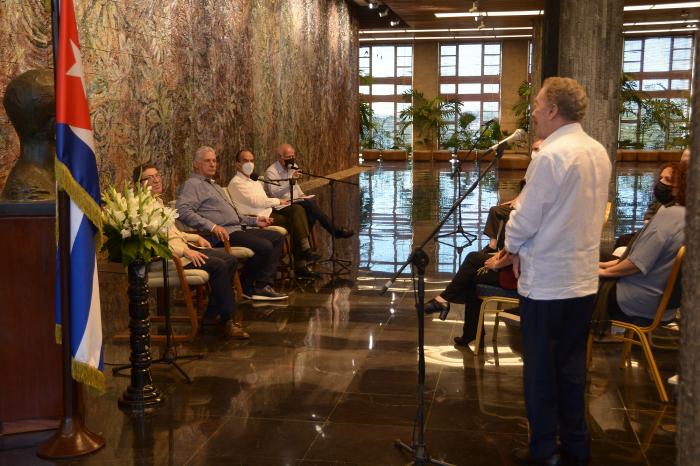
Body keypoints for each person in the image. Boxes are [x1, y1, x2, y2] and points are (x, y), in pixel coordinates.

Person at [503, 77, 612, 466]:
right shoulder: (597, 150)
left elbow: (525, 219)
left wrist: (510, 245)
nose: (532, 111)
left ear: (552, 110)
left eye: (536, 104)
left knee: (540, 374)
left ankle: (544, 449)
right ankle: (577, 446)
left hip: (547, 283)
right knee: (570, 369)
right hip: (582, 280)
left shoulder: (550, 155)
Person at [133, 163, 249, 339]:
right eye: (150, 178)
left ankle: (210, 317)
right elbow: (155, 243)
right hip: (168, 258)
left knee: (229, 260)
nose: (156, 180)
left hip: (183, 250)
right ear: (138, 184)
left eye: (157, 175)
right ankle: (226, 320)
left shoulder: (157, 202)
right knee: (218, 266)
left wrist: (196, 238)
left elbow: (174, 233)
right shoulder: (141, 209)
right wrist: (185, 252)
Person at [176, 146, 287, 301]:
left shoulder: (214, 186)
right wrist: (212, 226)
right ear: (196, 164)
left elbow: (234, 215)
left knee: (276, 237)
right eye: (207, 161)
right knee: (265, 246)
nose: (213, 164)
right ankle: (250, 286)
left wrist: (255, 221)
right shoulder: (192, 184)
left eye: (214, 160)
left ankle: (259, 285)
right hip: (222, 235)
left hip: (237, 229)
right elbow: (182, 211)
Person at [598, 161, 687, 326]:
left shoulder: (670, 215)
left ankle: (569, 340)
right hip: (666, 306)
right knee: (597, 259)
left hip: (638, 302)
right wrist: (603, 265)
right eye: (660, 178)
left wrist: (602, 272)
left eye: (668, 181)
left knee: (578, 283)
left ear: (682, 187)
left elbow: (636, 264)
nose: (660, 184)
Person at [228, 149, 320, 278]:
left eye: (251, 160)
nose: (249, 163)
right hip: (258, 218)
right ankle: (302, 257)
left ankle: (303, 256)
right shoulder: (236, 183)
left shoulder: (254, 180)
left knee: (301, 212)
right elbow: (257, 202)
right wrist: (278, 201)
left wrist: (278, 202)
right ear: (237, 164)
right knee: (297, 217)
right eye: (245, 160)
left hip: (269, 211)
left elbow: (263, 198)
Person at [425, 249, 516, 348]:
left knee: (471, 267)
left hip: (518, 277)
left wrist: (495, 264)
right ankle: (473, 332)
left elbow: (514, 255)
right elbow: (510, 247)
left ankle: (443, 300)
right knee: (471, 268)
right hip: (512, 266)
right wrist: (498, 255)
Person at [264, 143, 354, 239]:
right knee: (310, 206)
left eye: (293, 156)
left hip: (295, 200)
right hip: (281, 204)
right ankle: (334, 231)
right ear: (280, 157)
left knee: (311, 212)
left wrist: (302, 194)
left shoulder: (293, 166)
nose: (291, 158)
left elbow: (296, 185)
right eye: (288, 157)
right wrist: (291, 181)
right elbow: (274, 193)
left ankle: (302, 246)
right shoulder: (271, 172)